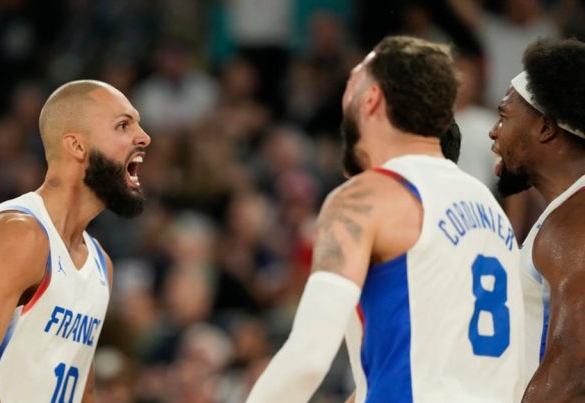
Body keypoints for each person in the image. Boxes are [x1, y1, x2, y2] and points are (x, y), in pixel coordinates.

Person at [246, 36, 524, 403]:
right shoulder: (488, 207)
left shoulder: (364, 198)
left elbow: (308, 358)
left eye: (350, 86)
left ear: (371, 98)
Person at [0, 80, 151, 402]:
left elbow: (80, 391)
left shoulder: (101, 265)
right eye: (123, 125)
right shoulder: (20, 234)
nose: (144, 137)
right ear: (77, 146)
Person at [489, 37, 585, 402]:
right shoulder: (566, 214)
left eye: (504, 116)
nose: (494, 132)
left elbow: (574, 367)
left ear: (545, 128)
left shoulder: (575, 222)